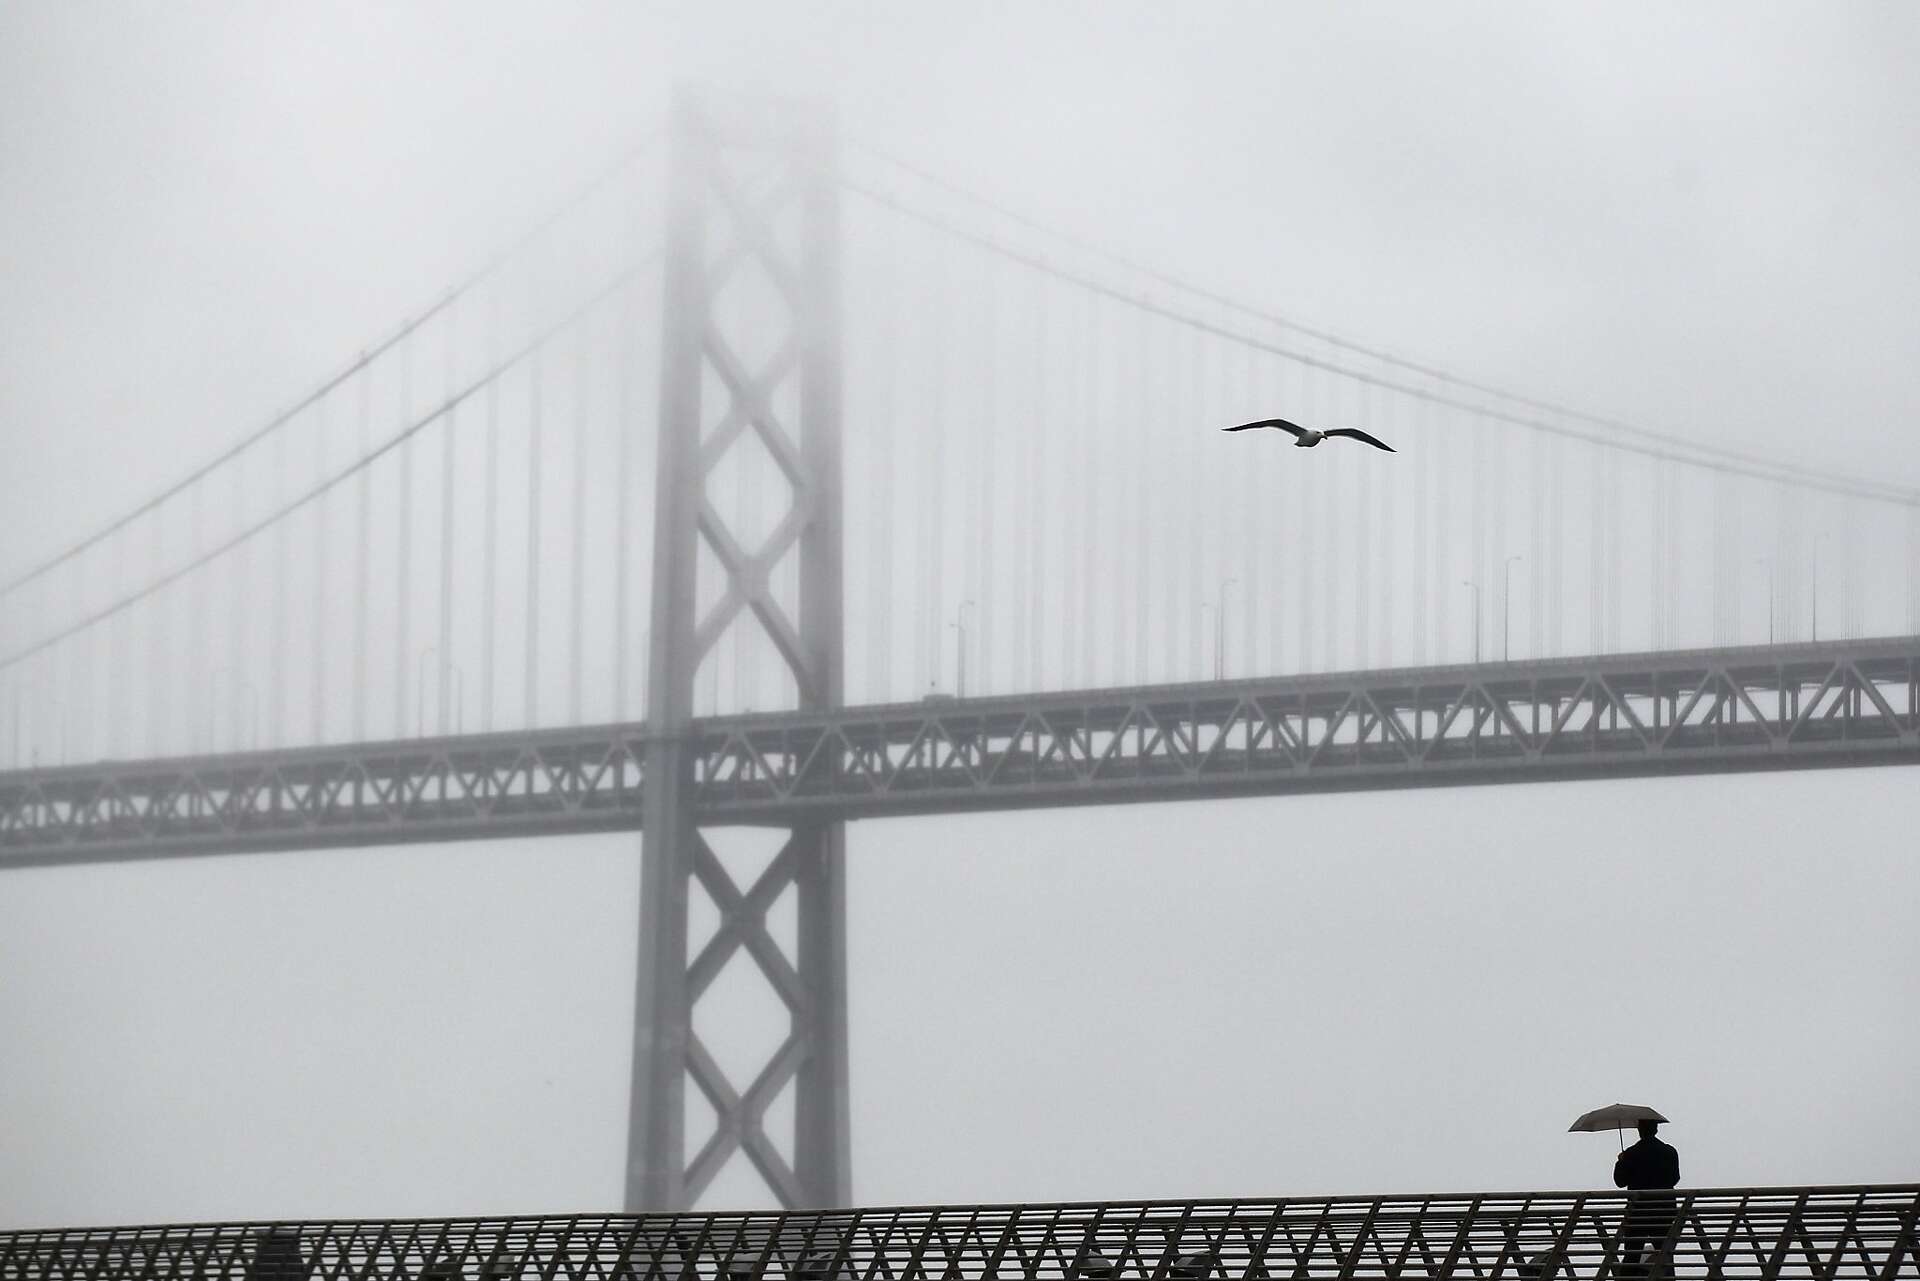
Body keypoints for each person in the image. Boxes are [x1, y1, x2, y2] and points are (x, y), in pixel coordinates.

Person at [1614, 1119, 1680, 1279]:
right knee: (1665, 1255)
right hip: (1664, 1211)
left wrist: (1620, 1161)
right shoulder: (1669, 1152)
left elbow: (1620, 1181)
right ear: (1656, 1130)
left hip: (1638, 1213)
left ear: (1639, 1130)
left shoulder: (1631, 1153)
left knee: (1632, 1255)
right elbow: (1675, 1178)